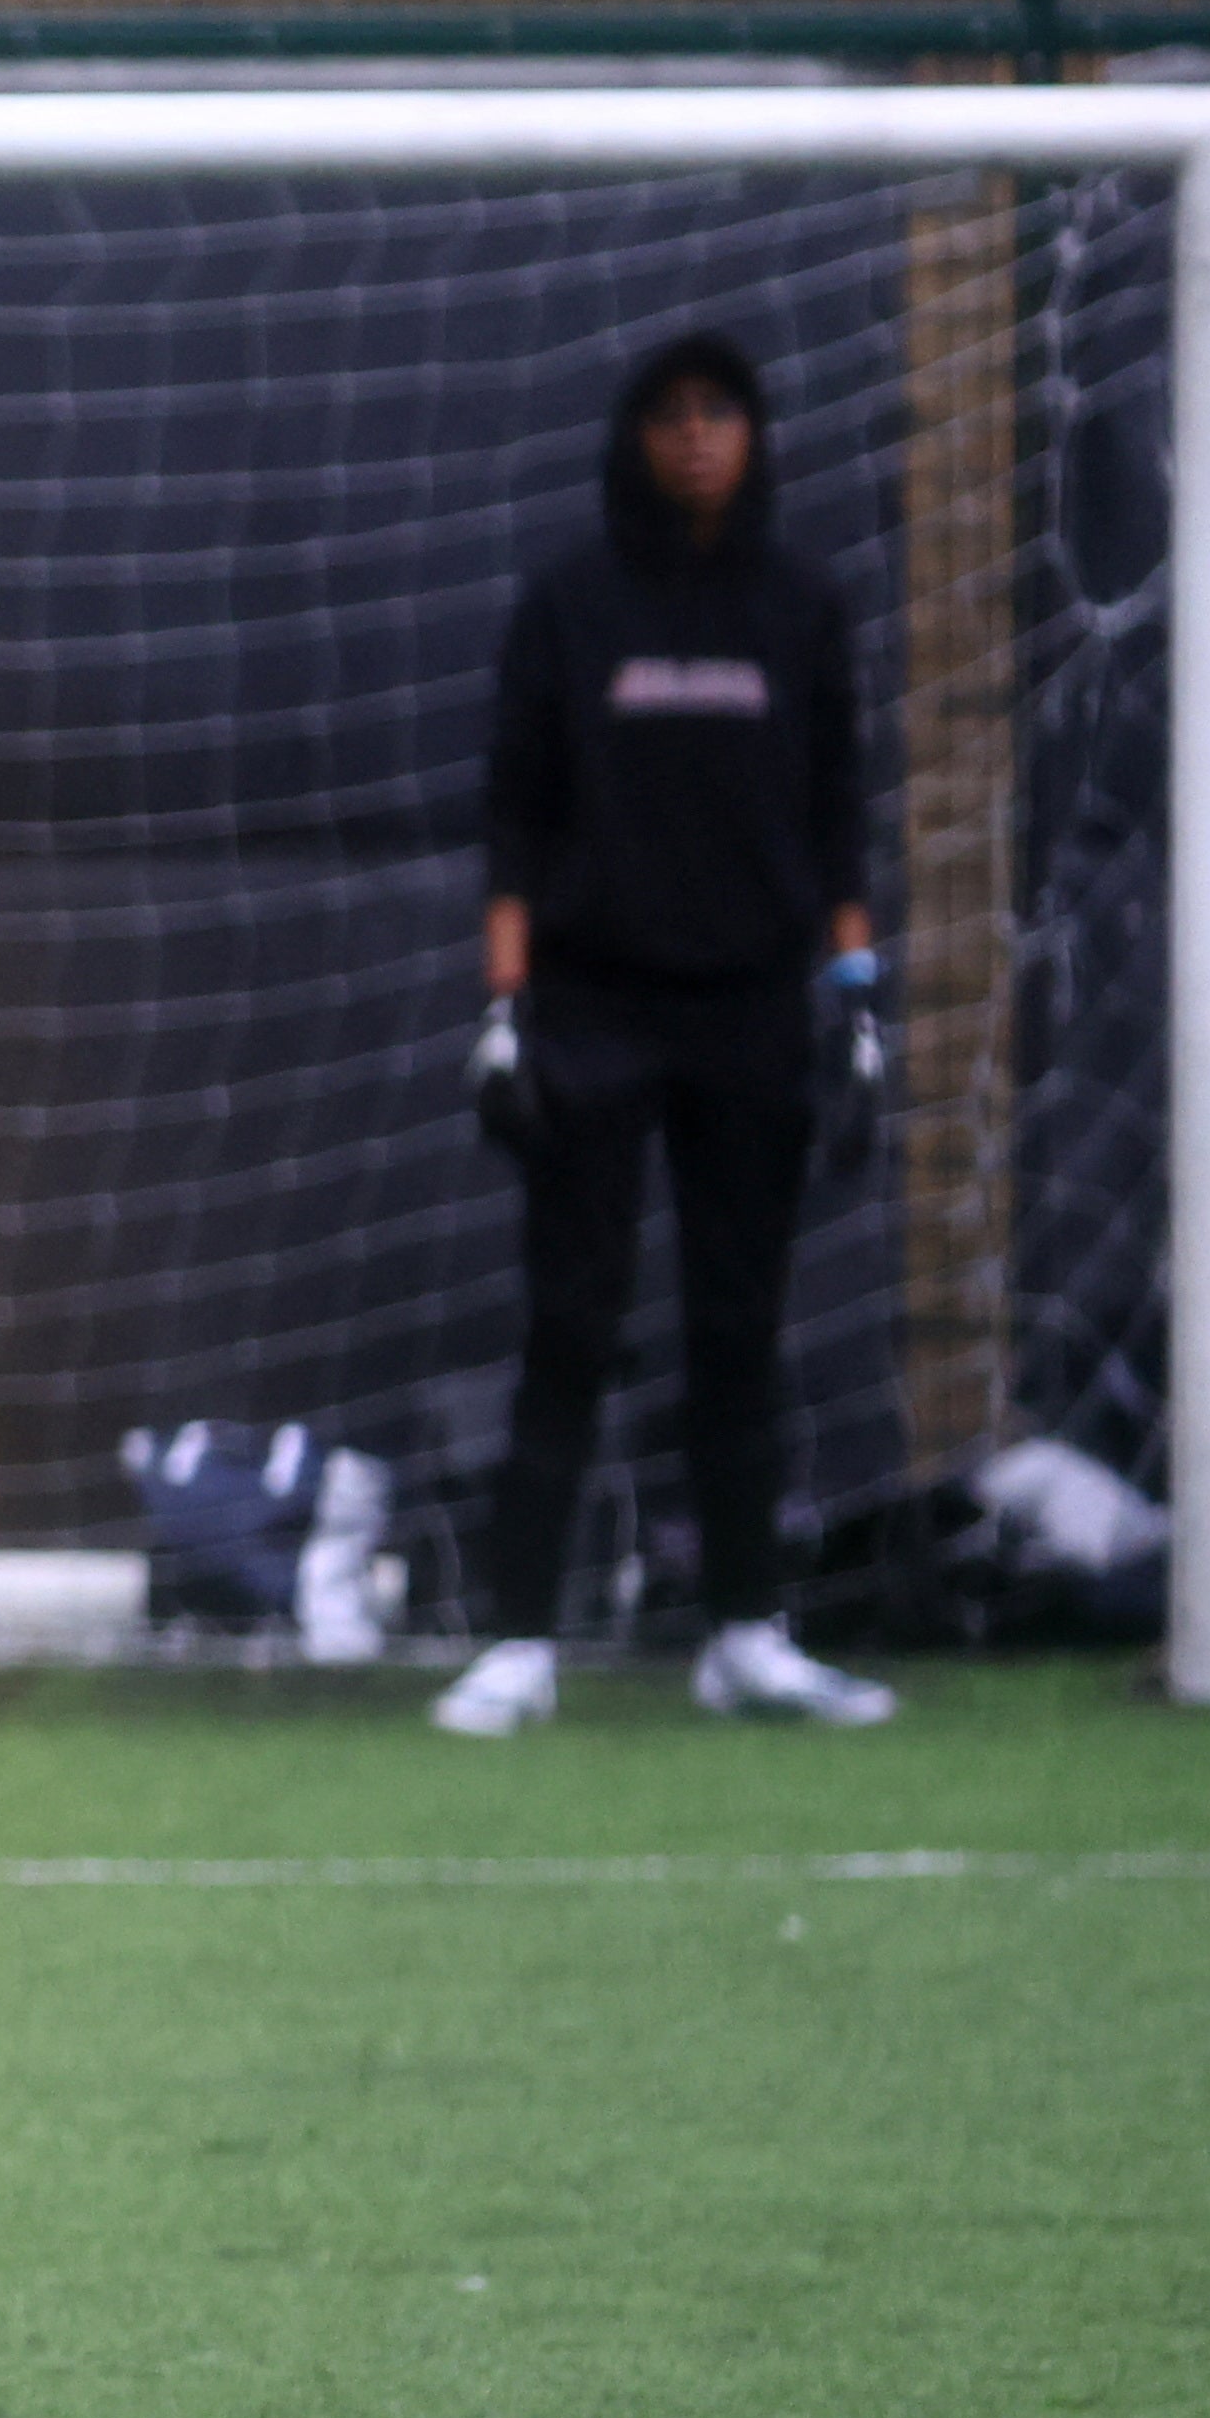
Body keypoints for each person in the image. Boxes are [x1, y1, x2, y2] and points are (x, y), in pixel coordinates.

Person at [433, 325, 896, 1736]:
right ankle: (517, 1639)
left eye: (724, 412)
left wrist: (854, 1004)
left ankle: (747, 1631)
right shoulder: (573, 605)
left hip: (755, 1010)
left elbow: (837, 821)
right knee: (572, 1319)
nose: (699, 436)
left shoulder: (802, 605)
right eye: (673, 413)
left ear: (756, 434)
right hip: (592, 1007)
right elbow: (514, 815)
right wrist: (507, 1012)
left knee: (739, 1328)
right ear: (636, 435)